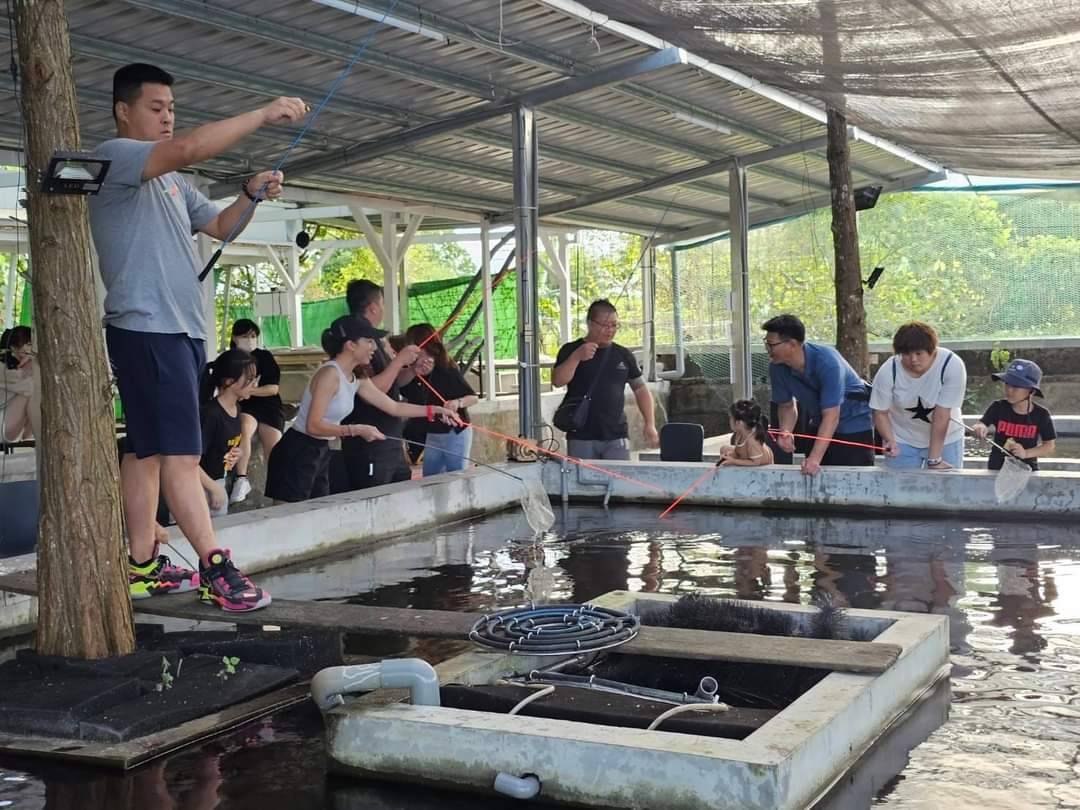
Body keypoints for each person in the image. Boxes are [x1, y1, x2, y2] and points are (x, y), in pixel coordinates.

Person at [88, 62, 306, 610]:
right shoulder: (116, 157)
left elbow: (222, 226)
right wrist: (262, 113)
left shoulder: (173, 184)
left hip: (179, 333)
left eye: (171, 110)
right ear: (123, 111)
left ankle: (141, 563)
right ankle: (215, 567)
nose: (167, 118)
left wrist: (251, 194)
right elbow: (186, 149)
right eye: (156, 108)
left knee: (143, 451)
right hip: (148, 328)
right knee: (181, 455)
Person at [264, 315, 459, 503]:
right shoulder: (329, 375)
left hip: (321, 451)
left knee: (317, 517)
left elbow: (393, 407)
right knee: (288, 522)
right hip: (298, 451)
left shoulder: (357, 376)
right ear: (351, 345)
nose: (374, 347)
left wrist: (435, 410)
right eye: (369, 341)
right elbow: (313, 426)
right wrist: (356, 430)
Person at [762, 314, 874, 476]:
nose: (768, 349)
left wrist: (815, 459)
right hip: (819, 422)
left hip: (852, 424)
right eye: (766, 343)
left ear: (792, 344)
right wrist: (786, 431)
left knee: (852, 479)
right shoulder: (777, 367)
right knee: (813, 476)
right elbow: (786, 405)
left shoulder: (827, 361)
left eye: (771, 344)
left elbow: (832, 416)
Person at [551, 299, 659, 460]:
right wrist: (577, 357)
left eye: (614, 325)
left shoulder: (623, 354)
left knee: (617, 479)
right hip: (581, 434)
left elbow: (640, 389)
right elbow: (558, 381)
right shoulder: (571, 349)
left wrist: (649, 423)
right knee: (583, 480)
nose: (610, 330)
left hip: (616, 434)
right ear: (590, 323)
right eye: (604, 325)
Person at [339, 280, 421, 489]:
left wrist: (411, 369)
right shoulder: (355, 345)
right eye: (383, 303)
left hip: (391, 438)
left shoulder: (377, 342)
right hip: (369, 444)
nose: (371, 347)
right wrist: (399, 360)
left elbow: (391, 390)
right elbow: (374, 390)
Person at [870, 321, 967, 470]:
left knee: (947, 488)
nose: (913, 359)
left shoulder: (951, 365)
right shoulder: (888, 370)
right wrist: (890, 440)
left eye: (919, 353)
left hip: (946, 438)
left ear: (932, 350)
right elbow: (880, 412)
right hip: (902, 438)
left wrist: (934, 459)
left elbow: (941, 414)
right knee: (900, 490)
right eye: (907, 354)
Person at [400, 323, 478, 476]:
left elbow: (473, 397)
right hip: (432, 433)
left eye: (411, 344)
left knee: (456, 477)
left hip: (455, 432)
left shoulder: (446, 369)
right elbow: (399, 386)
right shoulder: (412, 371)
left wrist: (457, 403)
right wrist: (414, 370)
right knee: (431, 478)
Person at [227, 319, 284, 504]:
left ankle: (278, 490)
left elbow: (273, 388)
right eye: (245, 336)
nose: (250, 340)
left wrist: (248, 390)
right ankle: (241, 479)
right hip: (245, 406)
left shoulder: (265, 357)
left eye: (253, 336)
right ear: (235, 338)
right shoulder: (230, 359)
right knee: (245, 427)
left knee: (273, 444)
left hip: (269, 405)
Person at [198, 348, 256, 518]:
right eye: (250, 380)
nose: (254, 386)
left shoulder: (236, 409)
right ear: (229, 381)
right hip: (199, 488)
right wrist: (213, 488)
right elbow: (188, 462)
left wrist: (235, 453)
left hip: (218, 483)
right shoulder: (210, 414)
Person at [973, 359, 1056, 471]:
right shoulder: (998, 407)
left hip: (1026, 470)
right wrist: (979, 427)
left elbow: (1049, 446)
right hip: (997, 468)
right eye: (1007, 384)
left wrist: (1025, 453)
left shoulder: (1041, 415)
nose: (1009, 390)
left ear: (1031, 391)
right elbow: (982, 423)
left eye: (1016, 386)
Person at [1, 326, 38, 443]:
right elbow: (27, 387)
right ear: (13, 348)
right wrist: (31, 369)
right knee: (33, 390)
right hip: (3, 424)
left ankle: (37, 434)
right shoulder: (3, 368)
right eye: (27, 344)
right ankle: (41, 437)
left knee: (36, 392)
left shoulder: (27, 366)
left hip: (16, 428)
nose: (31, 348)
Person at [718, 399, 774, 467]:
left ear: (739, 423)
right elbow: (738, 451)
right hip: (748, 455)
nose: (729, 420)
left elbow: (755, 462)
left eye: (731, 418)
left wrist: (733, 461)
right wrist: (731, 455)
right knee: (724, 449)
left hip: (760, 465)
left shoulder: (752, 441)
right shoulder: (739, 433)